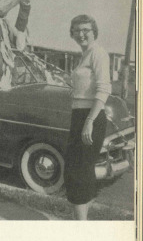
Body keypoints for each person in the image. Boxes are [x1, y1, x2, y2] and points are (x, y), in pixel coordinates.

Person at [64, 15, 111, 220]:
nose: (81, 34)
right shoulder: (84, 55)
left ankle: (81, 226)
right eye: (77, 30)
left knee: (77, 172)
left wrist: (89, 122)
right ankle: (82, 220)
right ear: (72, 33)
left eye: (86, 30)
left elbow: (104, 89)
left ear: (94, 31)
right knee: (81, 170)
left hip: (90, 117)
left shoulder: (98, 53)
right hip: (80, 115)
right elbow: (85, 89)